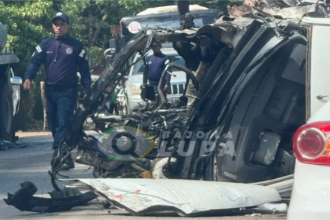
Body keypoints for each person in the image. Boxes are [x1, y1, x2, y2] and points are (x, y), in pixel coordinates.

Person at [23, 12, 92, 170]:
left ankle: (58, 153)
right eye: (56, 24)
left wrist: (87, 87)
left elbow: (84, 69)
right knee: (53, 124)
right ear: (53, 26)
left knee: (63, 123)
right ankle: (65, 154)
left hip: (68, 90)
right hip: (50, 90)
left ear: (68, 26)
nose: (58, 27)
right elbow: (35, 62)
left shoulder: (76, 46)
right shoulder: (46, 44)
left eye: (62, 24)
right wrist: (28, 77)